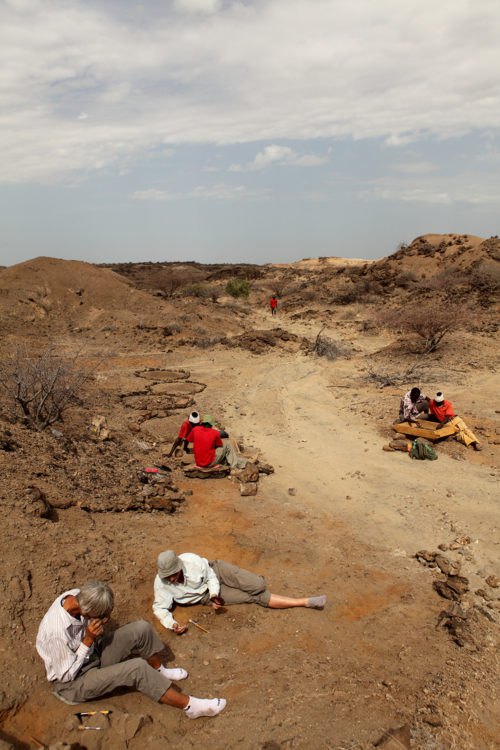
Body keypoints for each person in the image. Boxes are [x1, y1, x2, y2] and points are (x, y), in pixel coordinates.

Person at [36, 581, 226, 718]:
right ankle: (191, 707)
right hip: (74, 682)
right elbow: (65, 676)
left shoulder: (80, 596)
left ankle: (160, 671)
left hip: (91, 656)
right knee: (136, 667)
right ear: (87, 612)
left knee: (140, 628)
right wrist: (87, 641)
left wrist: (90, 640)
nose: (103, 620)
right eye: (100, 617)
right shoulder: (55, 631)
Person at [153, 551, 327, 634]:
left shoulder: (192, 561)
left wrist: (215, 593)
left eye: (174, 575)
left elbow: (211, 577)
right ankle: (304, 602)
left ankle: (252, 584)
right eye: (168, 577)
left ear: (179, 566)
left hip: (216, 571)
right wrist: (173, 624)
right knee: (254, 597)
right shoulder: (162, 584)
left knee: (258, 584)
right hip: (203, 596)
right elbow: (160, 608)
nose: (172, 580)